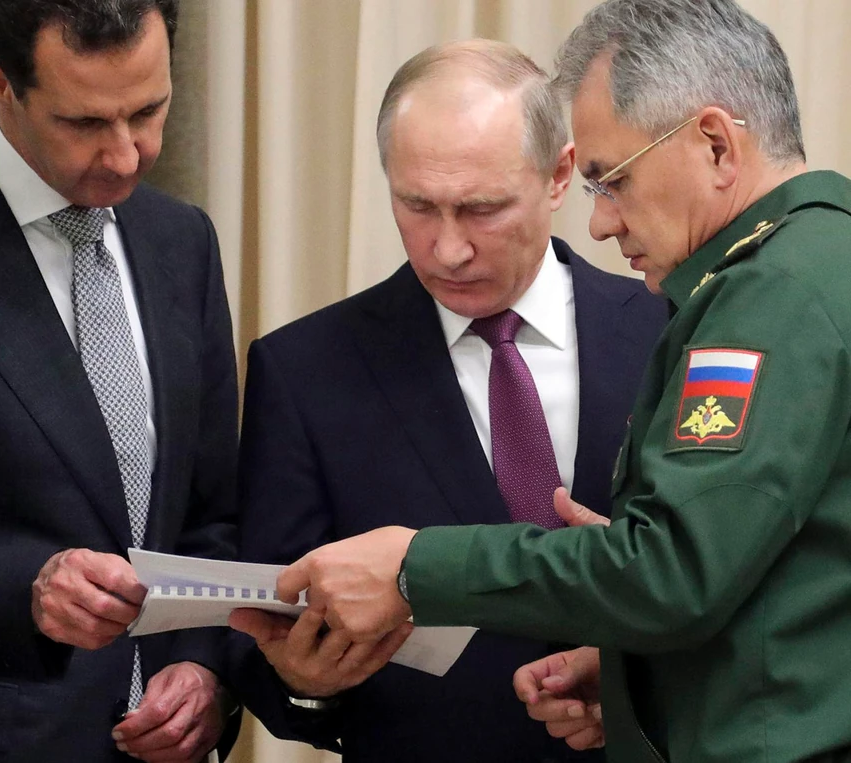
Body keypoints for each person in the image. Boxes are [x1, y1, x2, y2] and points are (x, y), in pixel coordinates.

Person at [273, 1, 851, 761]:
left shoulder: (770, 294)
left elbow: (673, 574)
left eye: (613, 181)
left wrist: (415, 567)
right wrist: (634, 676)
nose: (602, 223)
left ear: (715, 144)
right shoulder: (819, 258)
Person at [225, 40, 666, 762]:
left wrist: (634, 677)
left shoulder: (672, 330)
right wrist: (304, 684)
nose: (448, 249)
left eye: (482, 209)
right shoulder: (305, 371)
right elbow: (262, 635)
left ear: (559, 175)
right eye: (417, 206)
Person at [0, 1, 240, 760]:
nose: (125, 156)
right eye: (84, 122)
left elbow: (212, 516)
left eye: (148, 111)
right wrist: (28, 589)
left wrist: (204, 667)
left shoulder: (182, 239)